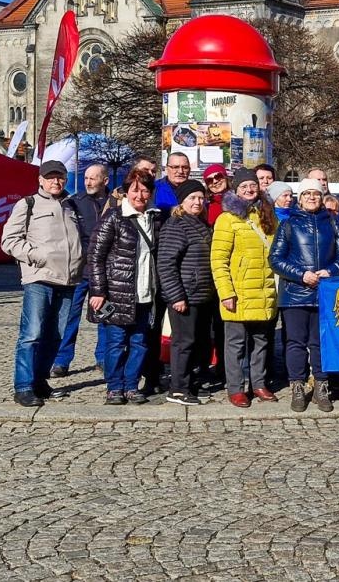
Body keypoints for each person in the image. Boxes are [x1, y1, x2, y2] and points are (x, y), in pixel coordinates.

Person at [0, 160, 86, 407]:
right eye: (50, 177)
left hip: (69, 279)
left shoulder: (71, 205)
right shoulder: (27, 204)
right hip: (39, 278)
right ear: (40, 179)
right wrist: (37, 256)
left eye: (60, 177)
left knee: (56, 335)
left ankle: (39, 380)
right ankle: (23, 386)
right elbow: (9, 240)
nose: (56, 181)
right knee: (32, 333)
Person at [269, 178, 339, 413]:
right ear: (300, 198)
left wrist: (330, 270)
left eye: (316, 194)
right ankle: (297, 385)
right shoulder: (288, 224)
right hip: (295, 293)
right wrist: (300, 275)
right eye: (307, 194)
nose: (312, 198)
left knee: (320, 344)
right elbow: (275, 259)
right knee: (295, 343)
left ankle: (321, 386)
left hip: (324, 292)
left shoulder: (332, 222)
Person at [87, 167, 160, 406]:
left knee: (139, 342)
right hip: (117, 293)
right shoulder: (114, 217)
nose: (140, 196)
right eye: (135, 190)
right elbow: (96, 255)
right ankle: (114, 387)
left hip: (144, 292)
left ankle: (131, 385)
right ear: (126, 192)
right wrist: (98, 291)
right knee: (116, 343)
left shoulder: (155, 218)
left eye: (144, 190)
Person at [212, 167, 280, 408]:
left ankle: (259, 383)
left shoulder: (268, 215)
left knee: (261, 341)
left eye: (253, 185)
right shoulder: (227, 219)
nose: (250, 190)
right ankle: (236, 387)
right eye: (244, 187)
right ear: (235, 190)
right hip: (239, 292)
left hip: (264, 289)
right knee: (236, 344)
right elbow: (218, 260)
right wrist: (226, 292)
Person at [158, 180, 218, 406]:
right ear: (182, 201)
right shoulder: (177, 225)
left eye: (201, 198)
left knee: (198, 343)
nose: (198, 202)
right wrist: (176, 296)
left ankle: (190, 383)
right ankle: (178, 388)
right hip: (185, 295)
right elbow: (166, 263)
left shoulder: (199, 223)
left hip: (202, 295)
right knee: (183, 343)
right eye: (192, 198)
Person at [53, 163, 112, 378]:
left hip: (104, 272)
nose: (87, 182)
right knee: (69, 316)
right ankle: (61, 360)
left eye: (92, 178)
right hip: (79, 271)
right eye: (86, 178)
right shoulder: (74, 203)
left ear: (104, 181)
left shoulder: (114, 203)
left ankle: (104, 358)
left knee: (106, 315)